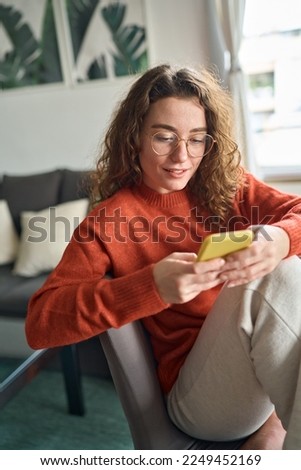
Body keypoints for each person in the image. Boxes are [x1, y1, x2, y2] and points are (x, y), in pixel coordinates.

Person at [25, 64, 301, 450]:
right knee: (284, 274)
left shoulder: (229, 185)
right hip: (199, 400)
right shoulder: (108, 221)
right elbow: (40, 323)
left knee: (285, 257)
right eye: (163, 137)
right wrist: (150, 287)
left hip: (258, 370)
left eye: (196, 139)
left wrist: (280, 240)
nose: (181, 156)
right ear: (135, 136)